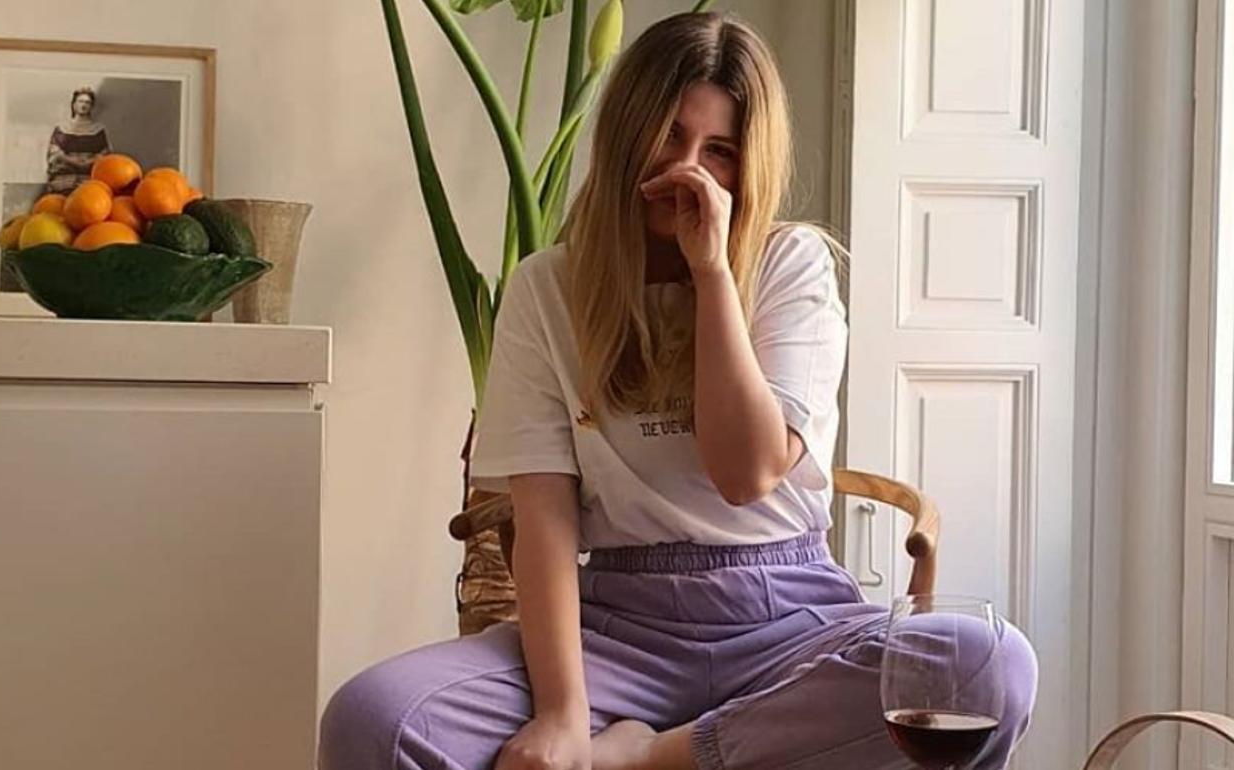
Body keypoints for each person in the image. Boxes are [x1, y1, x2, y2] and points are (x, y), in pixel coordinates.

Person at [320, 11, 1038, 770]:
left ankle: (648, 757)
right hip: (614, 630)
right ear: (626, 134)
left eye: (719, 150)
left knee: (987, 666)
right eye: (668, 135)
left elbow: (746, 473)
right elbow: (545, 518)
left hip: (789, 618)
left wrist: (713, 272)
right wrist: (563, 713)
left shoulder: (790, 264)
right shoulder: (546, 289)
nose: (687, 169)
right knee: (374, 719)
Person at [45, 86, 110, 194]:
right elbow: (54, 154)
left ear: (91, 106)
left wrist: (88, 162)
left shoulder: (98, 130)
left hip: (89, 176)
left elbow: (104, 154)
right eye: (80, 101)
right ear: (74, 104)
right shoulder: (62, 128)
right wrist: (73, 161)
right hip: (65, 176)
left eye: (87, 102)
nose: (83, 105)